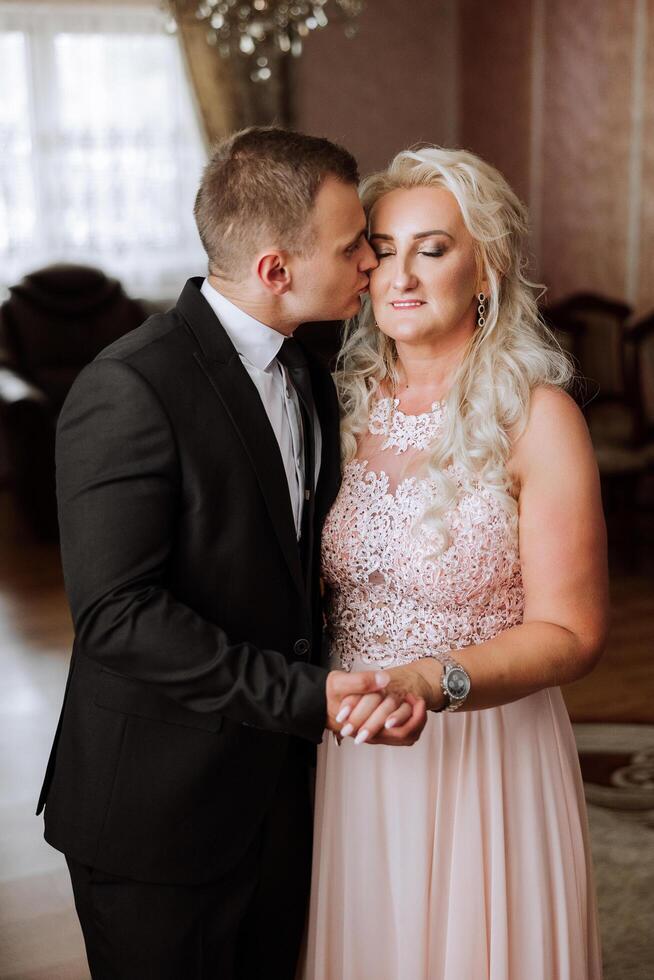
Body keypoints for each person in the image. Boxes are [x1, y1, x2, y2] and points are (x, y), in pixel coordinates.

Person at [36, 128, 427, 980]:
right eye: (353, 243)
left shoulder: (313, 373)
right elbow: (118, 617)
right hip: (157, 811)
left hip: (279, 796)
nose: (371, 261)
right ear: (276, 269)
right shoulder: (130, 387)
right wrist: (307, 693)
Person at [304, 146, 608, 980]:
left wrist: (429, 682)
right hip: (355, 750)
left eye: (432, 249)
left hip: (489, 753)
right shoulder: (330, 402)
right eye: (383, 248)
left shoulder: (536, 417)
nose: (399, 275)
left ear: (487, 268)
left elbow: (574, 633)